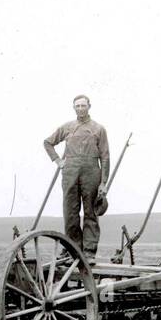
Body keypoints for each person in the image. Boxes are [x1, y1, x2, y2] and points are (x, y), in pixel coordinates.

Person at [43, 95, 110, 260]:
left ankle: (89, 252)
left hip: (92, 172)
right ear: (74, 108)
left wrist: (103, 182)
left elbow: (105, 156)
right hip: (70, 172)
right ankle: (74, 249)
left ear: (89, 106)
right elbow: (48, 142)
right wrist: (58, 160)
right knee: (70, 213)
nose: (80, 109)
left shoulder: (98, 129)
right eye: (77, 106)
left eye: (83, 105)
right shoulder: (67, 127)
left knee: (90, 213)